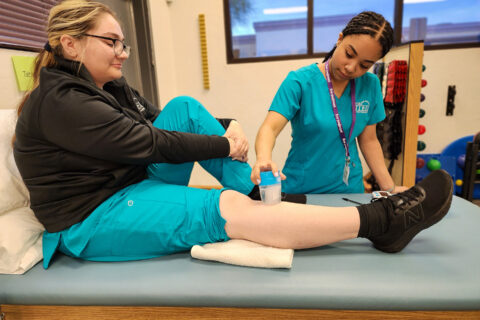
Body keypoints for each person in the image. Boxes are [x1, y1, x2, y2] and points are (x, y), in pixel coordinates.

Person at [13, 0, 452, 269]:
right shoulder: (61, 100)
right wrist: (228, 144)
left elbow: (162, 122)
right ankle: (381, 223)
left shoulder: (106, 88)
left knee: (183, 108)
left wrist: (225, 125)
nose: (123, 53)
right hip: (91, 218)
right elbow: (149, 143)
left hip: (129, 183)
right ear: (70, 44)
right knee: (221, 207)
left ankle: (261, 199)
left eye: (124, 43)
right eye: (112, 42)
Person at [252, 11, 408, 195]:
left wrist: (389, 188)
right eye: (349, 54)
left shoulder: (370, 85)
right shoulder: (300, 82)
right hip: (302, 189)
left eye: (364, 65)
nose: (351, 68)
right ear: (340, 39)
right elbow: (270, 128)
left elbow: (369, 140)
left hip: (349, 191)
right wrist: (263, 159)